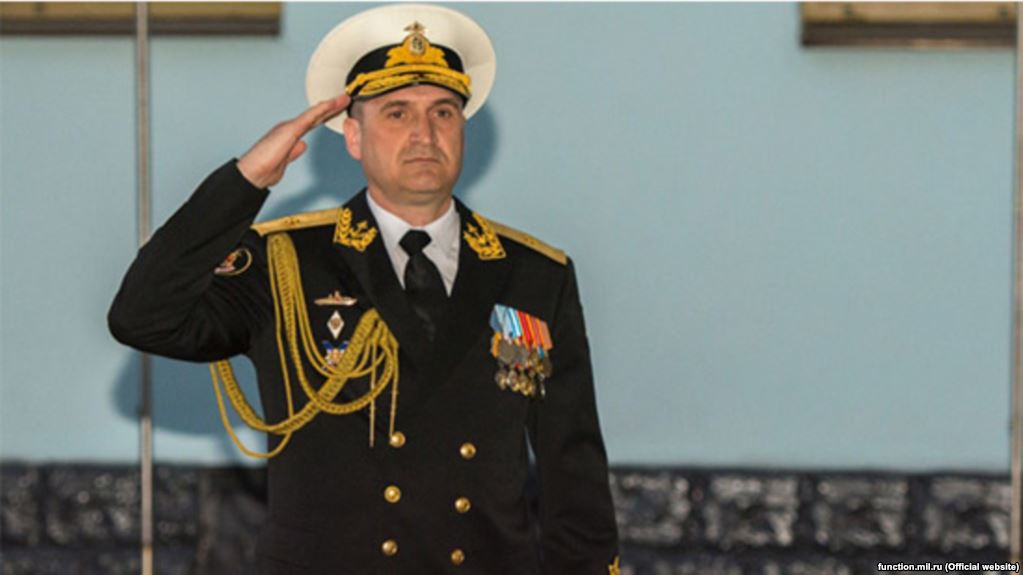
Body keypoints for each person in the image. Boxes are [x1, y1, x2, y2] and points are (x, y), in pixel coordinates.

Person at [108, 4, 619, 574]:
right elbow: (142, 316)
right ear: (353, 136)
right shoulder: (285, 263)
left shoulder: (535, 275)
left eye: (443, 112)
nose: (424, 134)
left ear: (462, 130)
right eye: (397, 113)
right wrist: (245, 182)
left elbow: (573, 474)